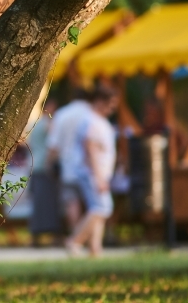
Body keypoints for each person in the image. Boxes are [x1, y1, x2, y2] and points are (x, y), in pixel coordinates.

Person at [66, 86, 119, 257]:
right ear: (99, 102)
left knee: (97, 209)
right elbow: (91, 149)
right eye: (110, 104)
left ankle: (95, 249)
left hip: (97, 173)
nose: (112, 109)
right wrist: (99, 177)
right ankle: (75, 241)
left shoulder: (98, 120)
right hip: (92, 173)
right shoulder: (92, 121)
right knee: (102, 208)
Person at [46, 91, 92, 234]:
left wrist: (49, 164)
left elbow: (54, 145)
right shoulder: (92, 114)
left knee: (72, 202)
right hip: (89, 166)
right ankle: (90, 235)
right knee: (92, 203)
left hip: (68, 167)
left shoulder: (62, 114)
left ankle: (76, 233)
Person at [27, 98, 60, 244]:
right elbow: (53, 146)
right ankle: (50, 236)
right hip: (44, 167)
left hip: (35, 166)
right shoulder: (48, 124)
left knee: (39, 203)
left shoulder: (37, 124)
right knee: (47, 204)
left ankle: (36, 236)